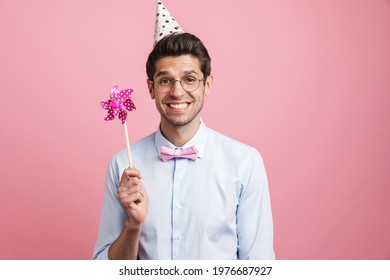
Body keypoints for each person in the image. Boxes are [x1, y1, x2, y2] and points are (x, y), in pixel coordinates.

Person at [93, 31, 275, 260]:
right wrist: (133, 226)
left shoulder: (245, 162)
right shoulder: (123, 165)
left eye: (189, 79)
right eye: (165, 80)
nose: (177, 92)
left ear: (207, 84)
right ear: (151, 88)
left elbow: (259, 264)